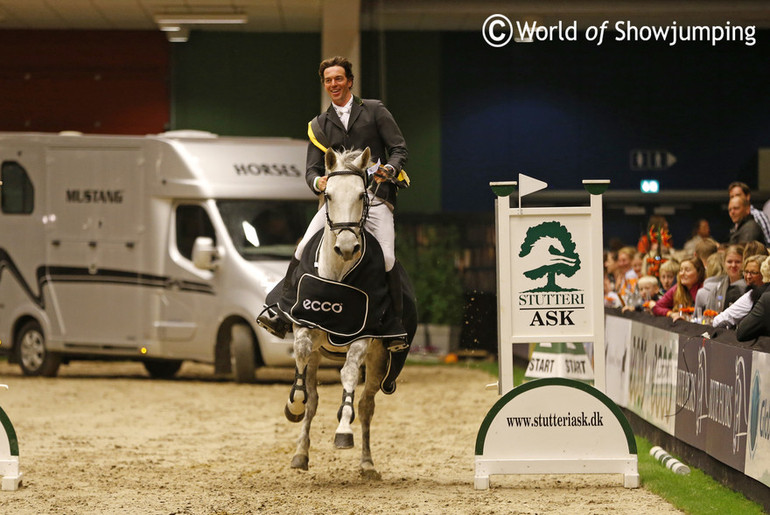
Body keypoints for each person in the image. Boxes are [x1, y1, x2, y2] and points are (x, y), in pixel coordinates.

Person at [257, 56, 410, 394]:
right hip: (337, 203)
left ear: (350, 82)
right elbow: (312, 170)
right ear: (325, 84)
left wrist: (389, 169)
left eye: (339, 78)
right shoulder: (319, 124)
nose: (334, 84)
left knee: (385, 258)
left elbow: (399, 149)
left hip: (375, 199)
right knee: (301, 248)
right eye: (329, 80)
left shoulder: (375, 111)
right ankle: (282, 310)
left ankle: (395, 326)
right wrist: (318, 185)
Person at [712, 255, 768, 328]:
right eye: (746, 272)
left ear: (764, 273)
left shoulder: (751, 295)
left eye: (754, 273)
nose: (748, 276)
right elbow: (720, 320)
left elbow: (718, 321)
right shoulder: (749, 293)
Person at [696, 244, 745, 313]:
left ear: (744, 263)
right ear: (724, 263)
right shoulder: (716, 289)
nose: (733, 265)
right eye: (729, 262)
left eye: (737, 262)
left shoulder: (748, 288)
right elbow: (709, 315)